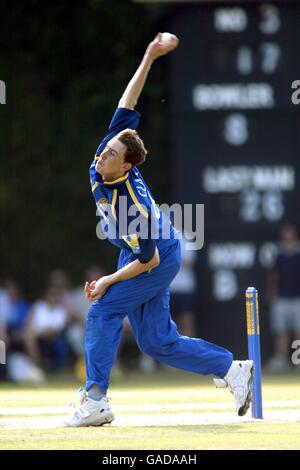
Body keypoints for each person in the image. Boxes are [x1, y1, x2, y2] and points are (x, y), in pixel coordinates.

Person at [64, 33, 253, 427]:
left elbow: (147, 259)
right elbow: (127, 102)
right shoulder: (109, 153)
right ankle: (233, 370)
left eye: (112, 154)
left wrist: (106, 281)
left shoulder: (135, 208)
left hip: (156, 257)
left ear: (127, 166)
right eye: (105, 148)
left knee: (103, 309)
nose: (102, 155)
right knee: (156, 341)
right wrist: (149, 55)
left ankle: (95, 399)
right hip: (136, 252)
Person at [266, 223, 300, 372]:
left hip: (298, 297)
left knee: (298, 331)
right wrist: (271, 291)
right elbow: (273, 274)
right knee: (281, 331)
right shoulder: (278, 253)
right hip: (281, 297)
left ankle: (297, 360)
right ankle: (281, 359)